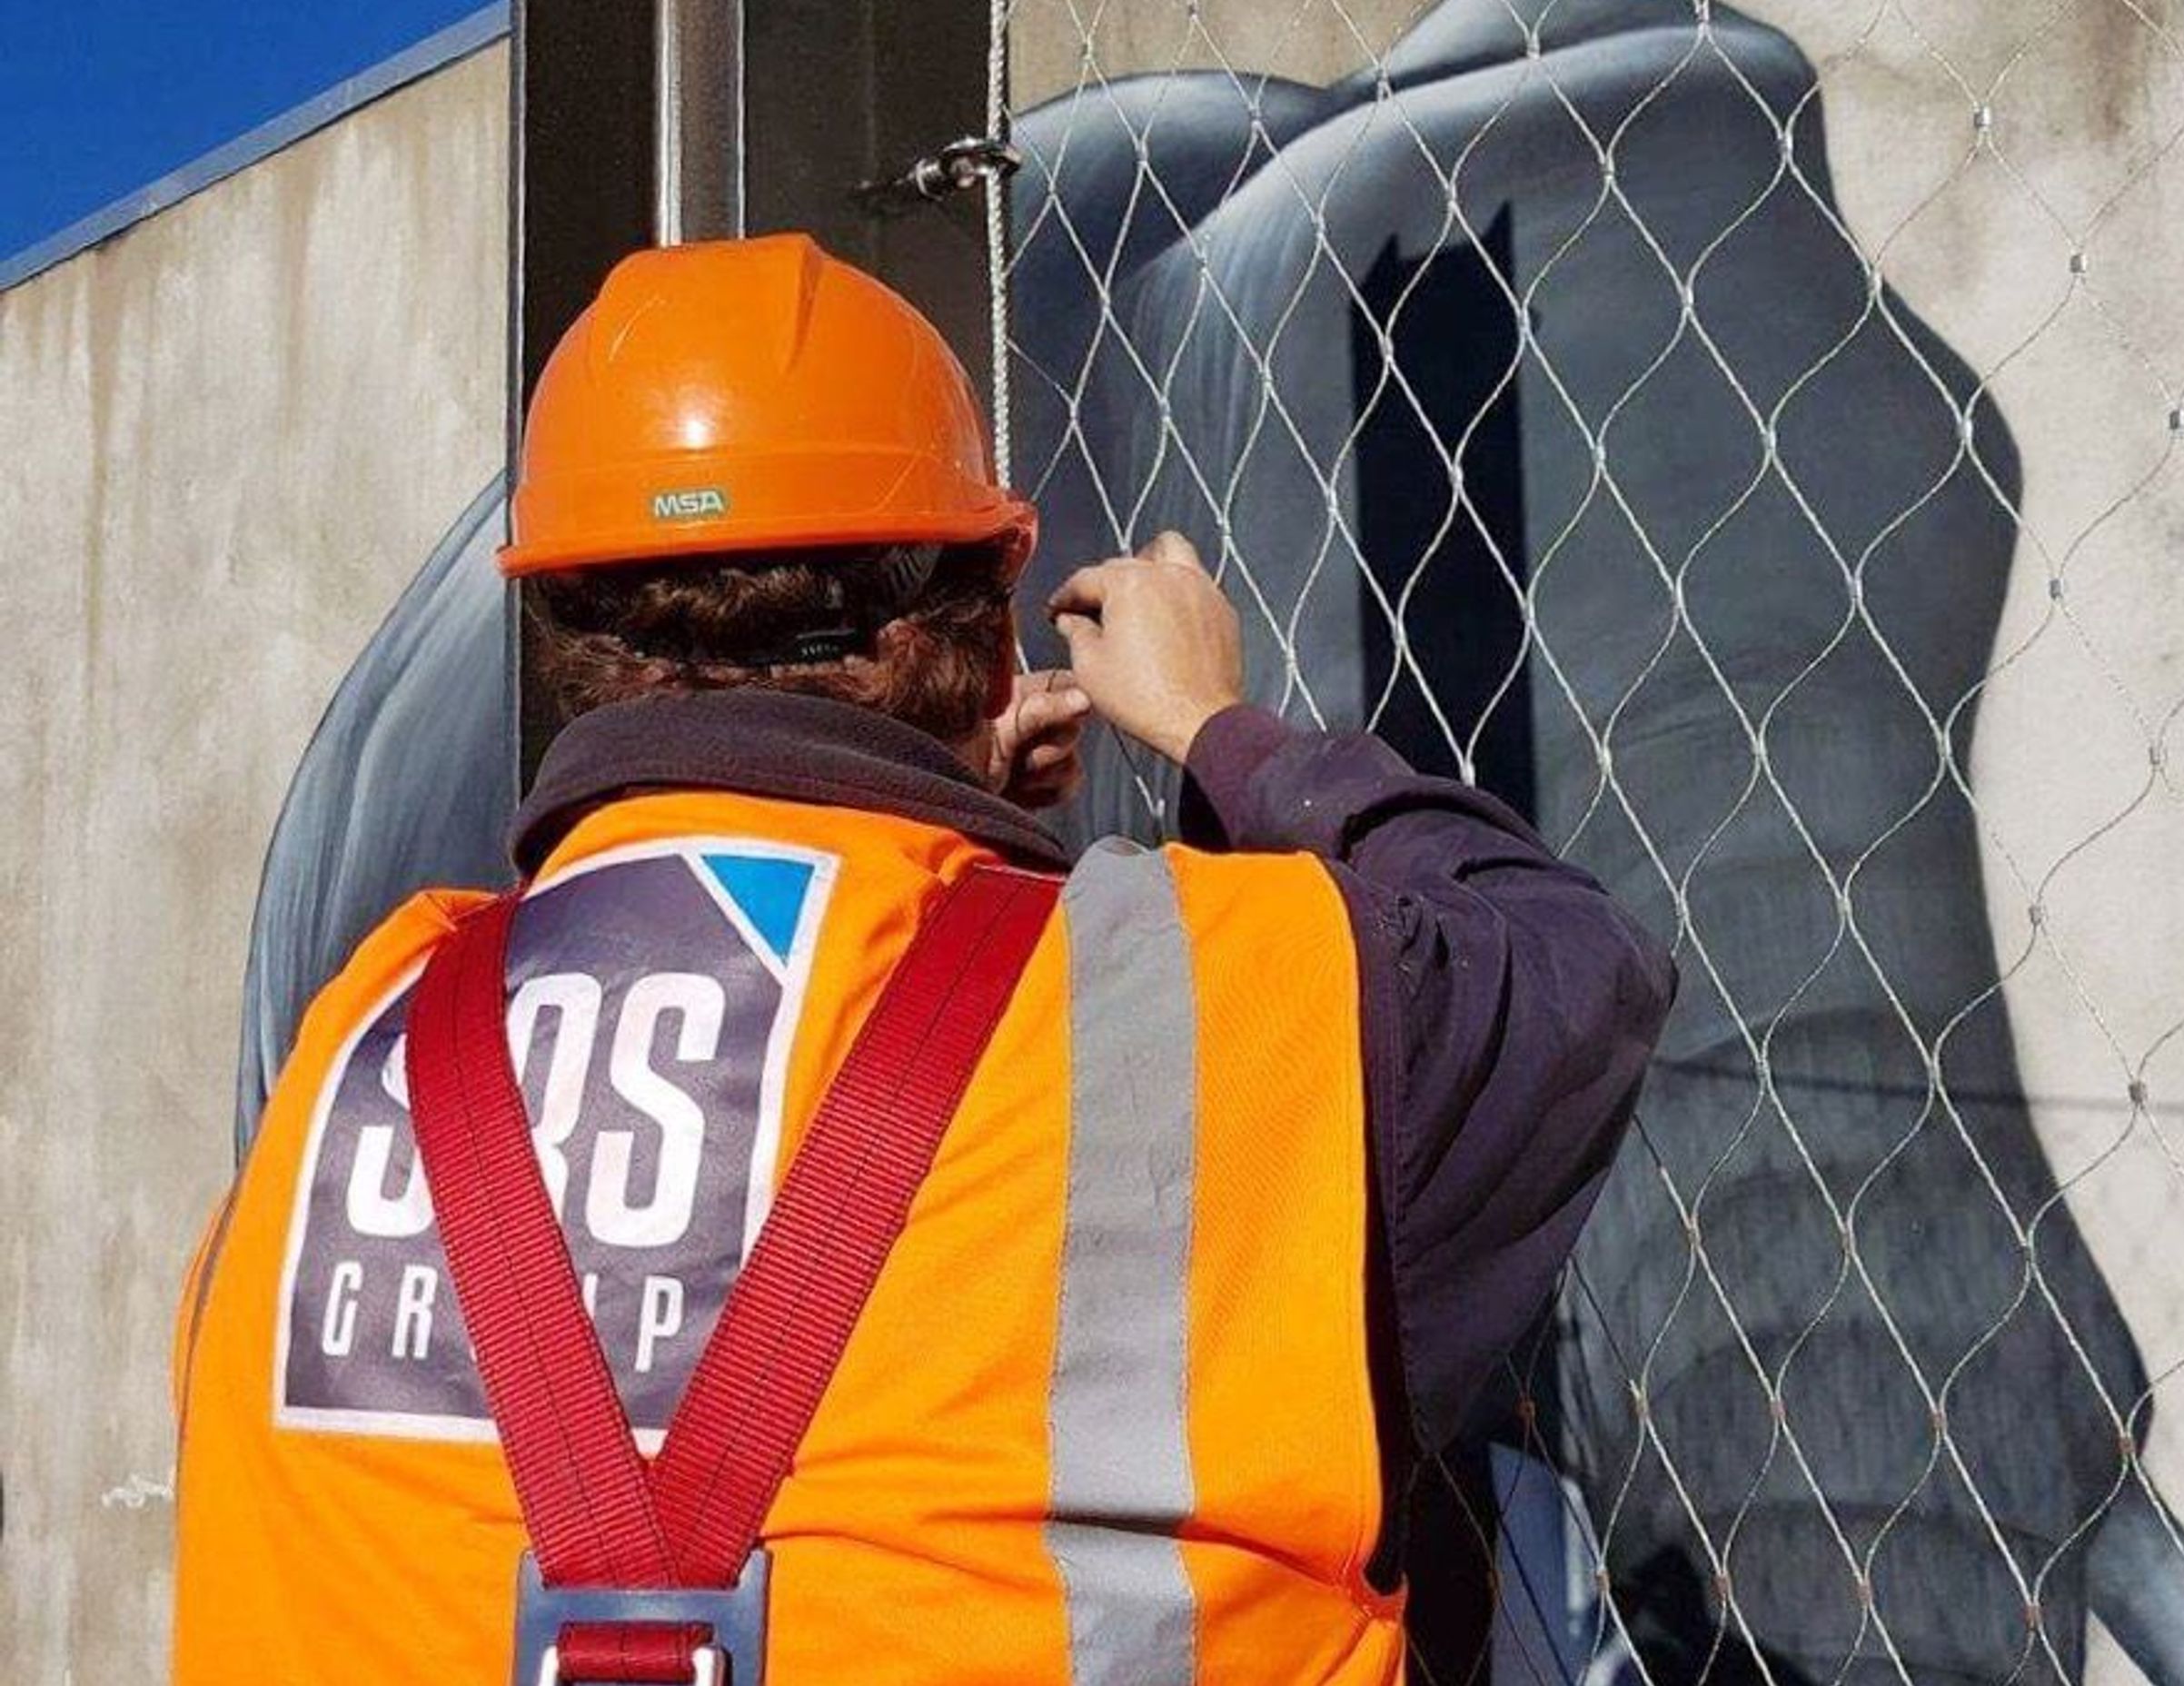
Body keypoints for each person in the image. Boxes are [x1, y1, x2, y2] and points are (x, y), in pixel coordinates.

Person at [169, 232, 1673, 1685]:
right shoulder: (1205, 997)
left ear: (562, 625)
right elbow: (1570, 966)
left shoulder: (355, 1045)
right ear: (981, 616)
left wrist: (948, 822)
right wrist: (1218, 727)